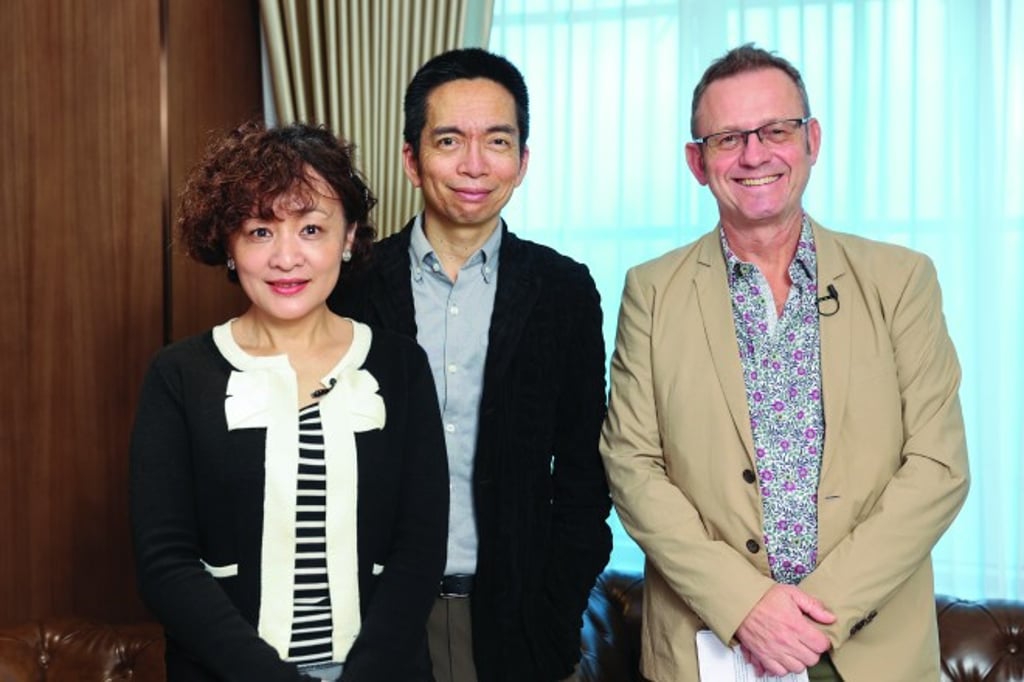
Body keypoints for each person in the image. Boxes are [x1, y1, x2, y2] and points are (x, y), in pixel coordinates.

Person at [600, 44, 970, 681]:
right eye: (727, 138)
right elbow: (631, 465)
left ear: (812, 140)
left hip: (867, 645)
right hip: (707, 645)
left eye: (776, 130)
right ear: (697, 161)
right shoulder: (652, 291)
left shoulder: (902, 280)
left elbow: (939, 467)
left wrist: (811, 617)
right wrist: (746, 607)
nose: (755, 154)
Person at [329, 48, 612, 682]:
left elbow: (583, 476)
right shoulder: (351, 286)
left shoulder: (563, 290)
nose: (475, 165)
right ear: (411, 159)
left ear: (523, 160)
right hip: (374, 622)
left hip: (520, 622)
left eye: (498, 141)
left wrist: (555, 611)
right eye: (450, 140)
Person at [129, 121, 449, 682]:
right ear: (227, 243)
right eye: (259, 231)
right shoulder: (179, 376)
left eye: (310, 229)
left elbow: (419, 547)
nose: (285, 258)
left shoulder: (400, 367)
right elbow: (166, 565)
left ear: (348, 237)